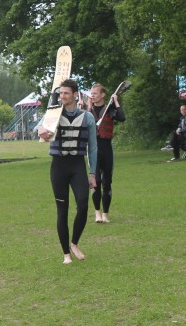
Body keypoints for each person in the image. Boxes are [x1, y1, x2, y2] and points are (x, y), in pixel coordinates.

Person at [37, 79, 98, 265]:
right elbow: (39, 127)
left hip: (78, 165)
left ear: (75, 95)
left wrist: (93, 173)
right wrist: (41, 130)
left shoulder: (87, 117)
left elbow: (93, 148)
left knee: (83, 205)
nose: (62, 96)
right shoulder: (53, 114)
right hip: (59, 167)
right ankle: (66, 253)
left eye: (65, 93)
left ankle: (74, 243)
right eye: (60, 93)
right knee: (62, 210)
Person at [86, 83, 126, 223]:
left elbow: (122, 117)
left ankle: (106, 214)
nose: (93, 95)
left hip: (106, 148)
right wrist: (85, 106)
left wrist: (115, 101)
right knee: (95, 182)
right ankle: (97, 212)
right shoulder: (87, 110)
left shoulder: (109, 109)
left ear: (103, 95)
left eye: (95, 93)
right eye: (92, 93)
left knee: (106, 182)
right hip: (93, 149)